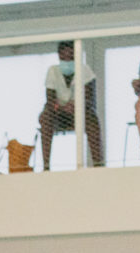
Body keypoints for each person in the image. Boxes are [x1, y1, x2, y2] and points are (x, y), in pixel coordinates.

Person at [39, 41, 102, 171]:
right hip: (59, 114)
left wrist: (76, 106)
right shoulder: (53, 71)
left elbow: (90, 99)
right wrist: (62, 107)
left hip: (81, 113)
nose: (67, 60)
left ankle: (98, 164)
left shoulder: (85, 70)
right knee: (45, 117)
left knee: (93, 118)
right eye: (64, 57)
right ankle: (46, 166)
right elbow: (50, 99)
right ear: (59, 56)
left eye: (70, 56)